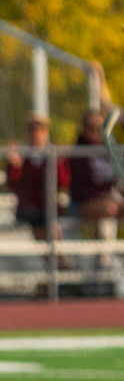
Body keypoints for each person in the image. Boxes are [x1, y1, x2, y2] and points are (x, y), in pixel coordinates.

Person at [6, 112, 69, 245]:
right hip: (29, 207)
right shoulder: (22, 156)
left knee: (53, 224)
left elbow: (63, 182)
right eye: (32, 130)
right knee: (40, 222)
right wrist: (15, 166)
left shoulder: (52, 155)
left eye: (41, 129)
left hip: (49, 205)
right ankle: (57, 262)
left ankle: (58, 261)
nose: (37, 134)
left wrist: (57, 164)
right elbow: (13, 185)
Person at [70, 101, 119, 263]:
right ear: (84, 131)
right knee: (108, 208)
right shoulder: (78, 155)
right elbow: (77, 189)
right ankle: (102, 263)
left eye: (101, 128)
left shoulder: (111, 151)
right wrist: (102, 195)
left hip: (111, 202)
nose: (97, 132)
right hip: (83, 204)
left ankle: (110, 262)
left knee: (110, 208)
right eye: (91, 128)